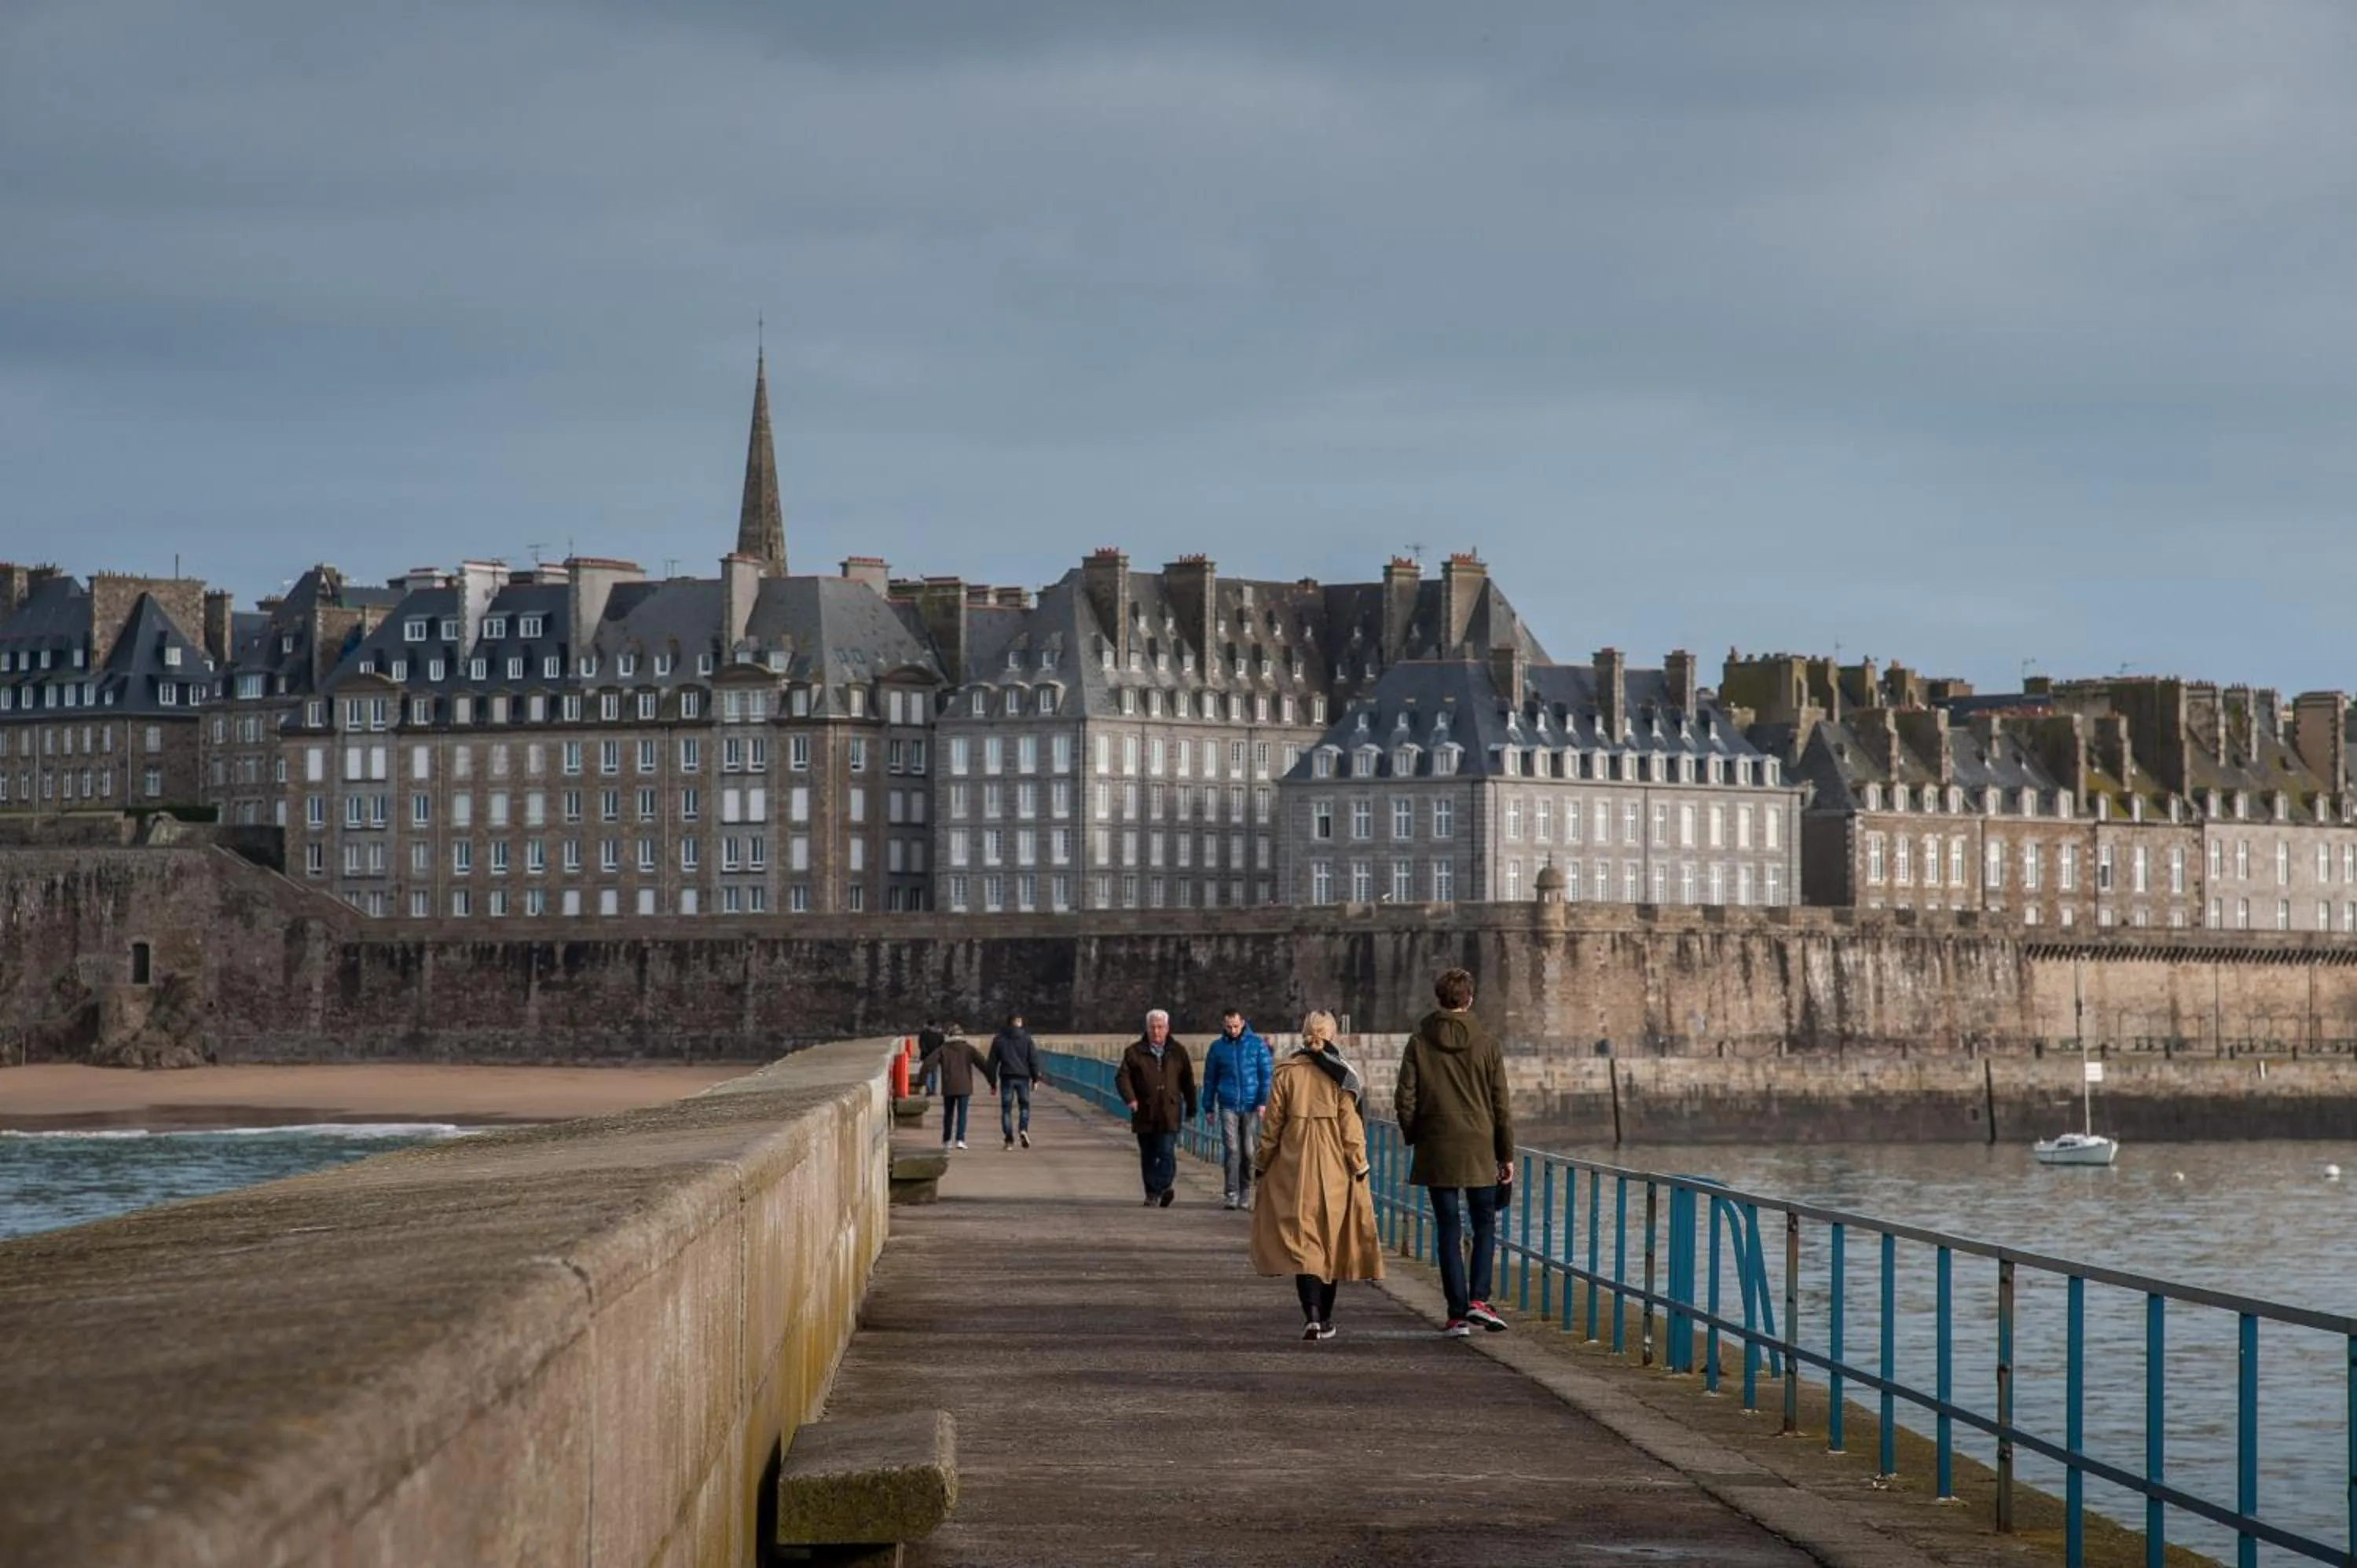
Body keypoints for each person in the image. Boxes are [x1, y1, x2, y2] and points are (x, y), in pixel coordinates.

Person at [1395, 966, 1514, 1339]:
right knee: (1484, 1224)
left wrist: (1416, 1135)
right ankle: (1479, 1300)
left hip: (1437, 1145)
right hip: (1480, 1146)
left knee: (1447, 1228)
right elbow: (1501, 1106)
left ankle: (1456, 1314)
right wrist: (1505, 1154)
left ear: (1439, 999)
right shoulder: (1487, 1043)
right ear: (1470, 999)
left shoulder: (1419, 1042)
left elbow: (1405, 1099)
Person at [1249, 1011, 1383, 1339]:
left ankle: (1310, 1314)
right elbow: (1350, 1126)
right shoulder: (1341, 1075)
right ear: (1332, 1035)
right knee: (1330, 1241)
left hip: (1293, 1165)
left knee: (1303, 1242)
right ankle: (1325, 1317)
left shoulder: (1287, 1072)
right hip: (1334, 1165)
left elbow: (1273, 1126)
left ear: (1305, 1034)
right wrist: (1360, 1164)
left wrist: (1262, 1161)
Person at [1113, 1009, 1197, 1207]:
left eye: (1160, 1027)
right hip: (1144, 1111)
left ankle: (1163, 1186)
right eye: (1153, 1027)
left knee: (1166, 1151)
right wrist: (1131, 1099)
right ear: (1147, 1028)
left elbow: (1188, 1081)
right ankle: (1152, 1193)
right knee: (1149, 1154)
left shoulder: (1178, 1051)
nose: (1156, 1031)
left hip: (1169, 1110)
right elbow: (1122, 1077)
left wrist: (1192, 1107)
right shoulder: (1134, 1052)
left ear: (1167, 1029)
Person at [1199, 1008, 1273, 1211]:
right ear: (1224, 1026)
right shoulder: (1217, 1048)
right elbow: (1210, 1078)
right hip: (1228, 1103)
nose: (1233, 1030)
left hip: (1250, 1105)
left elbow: (1266, 1075)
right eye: (1229, 1027)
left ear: (1243, 1024)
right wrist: (1208, 1107)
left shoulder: (1257, 1045)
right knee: (1232, 1149)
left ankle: (1245, 1191)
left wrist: (1262, 1102)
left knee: (1249, 1151)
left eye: (1236, 1026)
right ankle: (1231, 1192)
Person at [918, 1028, 994, 1151]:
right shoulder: (969, 1049)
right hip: (965, 1086)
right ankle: (960, 1139)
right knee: (962, 1114)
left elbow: (928, 1063)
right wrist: (992, 1081)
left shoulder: (943, 1049)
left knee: (948, 1114)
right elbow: (983, 1065)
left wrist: (921, 1081)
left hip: (949, 1086)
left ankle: (947, 1140)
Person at [986, 1013, 1044, 1150]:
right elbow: (1033, 1060)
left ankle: (1008, 1140)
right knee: (1024, 1106)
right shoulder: (1027, 1039)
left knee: (1006, 1109)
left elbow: (992, 1063)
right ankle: (1023, 1129)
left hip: (1007, 1076)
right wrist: (1035, 1078)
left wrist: (992, 1082)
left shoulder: (999, 1039)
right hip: (1023, 1077)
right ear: (1019, 1023)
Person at [915, 1018, 947, 1096]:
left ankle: (929, 1090)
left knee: (928, 1073)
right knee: (934, 1073)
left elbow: (921, 1044)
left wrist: (926, 1052)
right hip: (936, 1055)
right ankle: (933, 1090)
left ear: (928, 1024)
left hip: (926, 1055)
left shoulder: (924, 1033)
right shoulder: (939, 1034)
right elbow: (942, 1045)